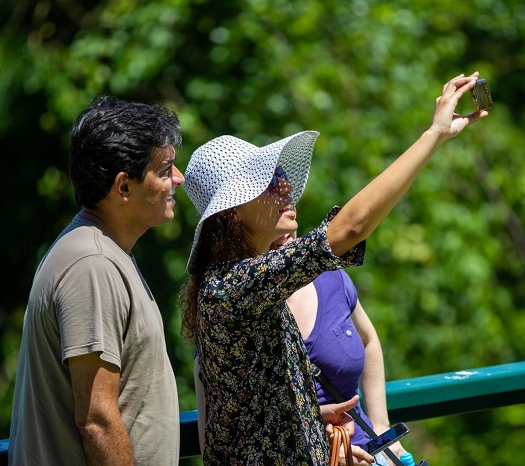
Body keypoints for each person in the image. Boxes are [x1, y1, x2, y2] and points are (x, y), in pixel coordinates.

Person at [182, 73, 487, 465]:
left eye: (281, 177)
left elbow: (252, 420)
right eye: (267, 181)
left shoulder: (244, 281)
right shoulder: (235, 285)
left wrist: (311, 425)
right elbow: (349, 228)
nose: (286, 187)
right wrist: (433, 135)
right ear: (233, 214)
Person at [9, 96, 185, 465]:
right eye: (165, 169)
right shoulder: (92, 265)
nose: (178, 179)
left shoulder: (104, 253)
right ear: (124, 187)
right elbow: (96, 420)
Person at [194, 235, 406, 466]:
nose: (290, 215)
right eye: (277, 208)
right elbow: (220, 437)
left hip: (369, 452)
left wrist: (381, 427)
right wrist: (320, 445)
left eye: (290, 205)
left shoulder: (331, 277)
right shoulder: (229, 311)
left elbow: (368, 340)